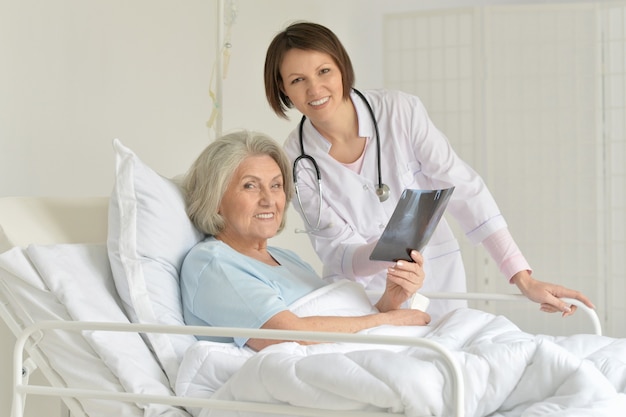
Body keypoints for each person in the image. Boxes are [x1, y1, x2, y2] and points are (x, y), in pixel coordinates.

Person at [263, 21, 594, 321]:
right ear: (283, 89)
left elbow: (464, 188)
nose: (315, 89)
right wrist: (390, 254)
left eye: (324, 71)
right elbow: (338, 252)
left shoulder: (399, 112)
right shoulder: (294, 161)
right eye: (297, 80)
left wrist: (522, 277)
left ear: (341, 67)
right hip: (362, 300)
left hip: (437, 282)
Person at [180, 130, 430, 351]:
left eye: (276, 185)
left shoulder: (287, 259)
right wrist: (385, 320)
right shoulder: (212, 262)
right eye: (250, 186)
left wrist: (390, 301)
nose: (269, 200)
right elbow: (287, 336)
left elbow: (340, 324)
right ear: (215, 199)